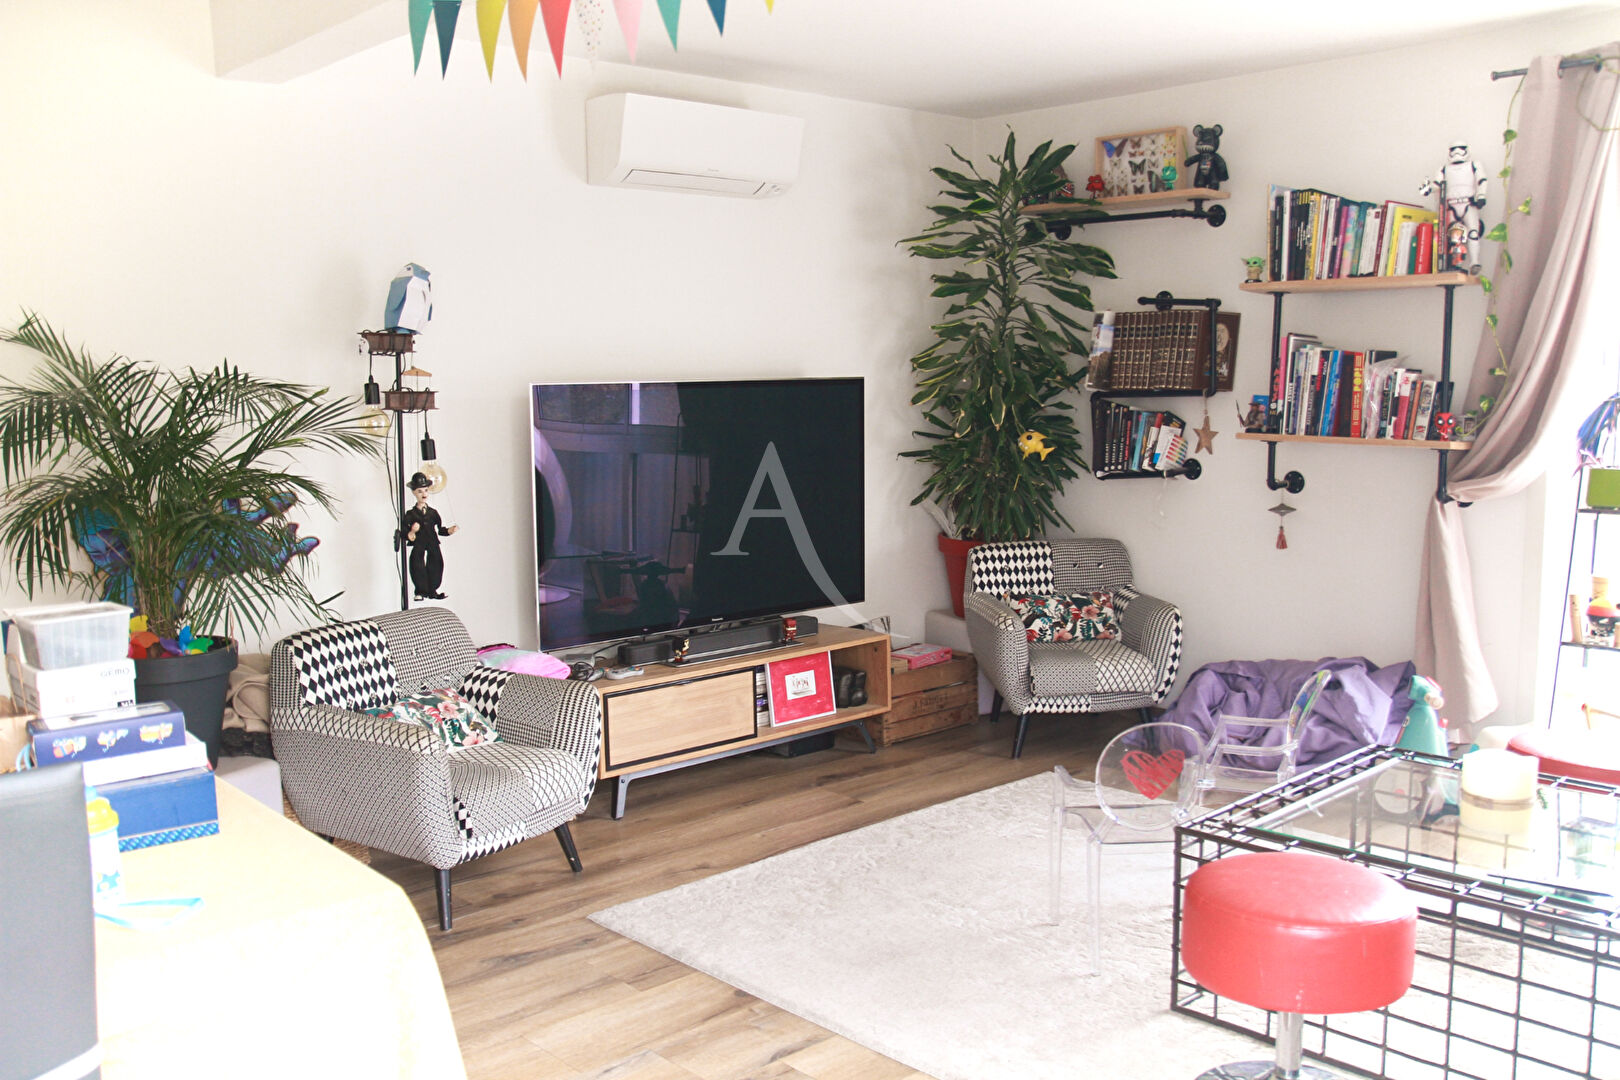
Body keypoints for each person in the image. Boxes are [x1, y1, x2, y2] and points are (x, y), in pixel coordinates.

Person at [402, 472, 457, 601]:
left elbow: (440, 529)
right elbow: (405, 532)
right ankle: (421, 590)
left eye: (426, 490)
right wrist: (412, 532)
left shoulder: (433, 513)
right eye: (420, 491)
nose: (424, 494)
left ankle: (432, 590)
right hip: (419, 542)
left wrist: (449, 531)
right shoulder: (411, 514)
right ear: (414, 492)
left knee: (436, 563)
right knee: (417, 564)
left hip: (432, 541)